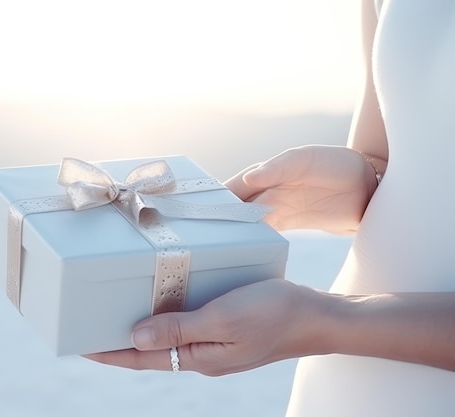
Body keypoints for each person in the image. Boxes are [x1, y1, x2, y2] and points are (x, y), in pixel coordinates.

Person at [86, 0, 455, 415]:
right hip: (340, 390)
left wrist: (322, 321)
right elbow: (402, 158)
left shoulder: (327, 322)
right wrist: (364, 179)